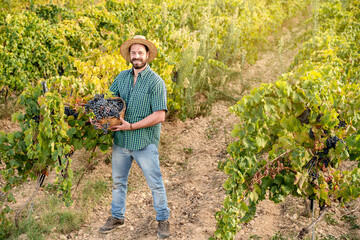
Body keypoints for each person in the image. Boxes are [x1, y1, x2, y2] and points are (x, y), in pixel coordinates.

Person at [96, 35, 170, 238]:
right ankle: (117, 216)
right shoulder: (121, 77)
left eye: (140, 53)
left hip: (144, 142)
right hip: (121, 141)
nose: (136, 56)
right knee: (119, 181)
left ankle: (163, 219)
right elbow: (110, 103)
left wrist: (132, 126)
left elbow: (160, 115)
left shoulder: (156, 82)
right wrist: (100, 118)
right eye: (133, 52)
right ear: (129, 55)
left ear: (147, 55)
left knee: (155, 183)